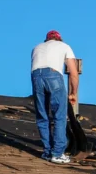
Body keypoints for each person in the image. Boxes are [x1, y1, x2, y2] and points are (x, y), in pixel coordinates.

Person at [30, 31, 80, 164]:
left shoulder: (36, 47)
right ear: (59, 39)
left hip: (36, 76)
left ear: (46, 40)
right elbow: (73, 73)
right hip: (53, 75)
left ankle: (47, 152)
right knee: (59, 115)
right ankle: (57, 153)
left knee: (42, 116)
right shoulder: (64, 46)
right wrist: (73, 93)